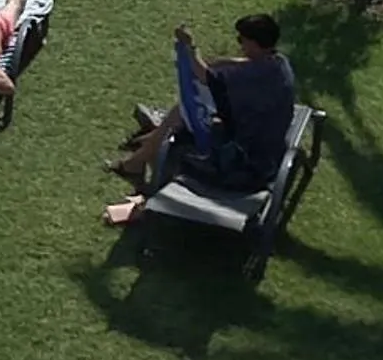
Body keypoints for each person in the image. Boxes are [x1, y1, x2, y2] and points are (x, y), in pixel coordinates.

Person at [106, 13, 296, 226]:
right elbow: (238, 68)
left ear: (253, 42)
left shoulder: (251, 76)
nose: (240, 46)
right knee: (182, 114)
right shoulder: (279, 64)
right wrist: (226, 62)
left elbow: (203, 75)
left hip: (245, 166)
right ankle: (141, 153)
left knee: (179, 140)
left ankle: (142, 165)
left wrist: (190, 47)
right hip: (267, 149)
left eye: (241, 40)